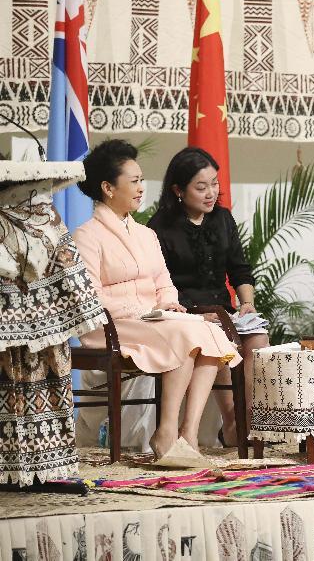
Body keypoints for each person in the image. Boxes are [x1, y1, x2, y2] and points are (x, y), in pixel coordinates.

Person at [72, 139, 241, 460]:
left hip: (152, 321)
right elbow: (89, 300)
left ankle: (187, 433)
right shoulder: (87, 236)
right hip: (112, 327)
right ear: (108, 187)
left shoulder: (145, 235)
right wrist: (146, 310)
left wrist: (167, 306)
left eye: (141, 180)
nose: (141, 187)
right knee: (185, 334)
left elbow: (164, 285)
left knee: (209, 332)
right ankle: (165, 432)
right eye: (133, 181)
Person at [148, 147, 267, 447]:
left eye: (214, 183)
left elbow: (240, 270)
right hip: (185, 313)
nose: (211, 193)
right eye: (201, 187)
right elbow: (159, 284)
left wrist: (247, 303)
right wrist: (196, 314)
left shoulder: (223, 219)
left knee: (257, 336)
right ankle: (230, 425)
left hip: (224, 310)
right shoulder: (160, 227)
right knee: (219, 335)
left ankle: (244, 421)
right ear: (178, 190)